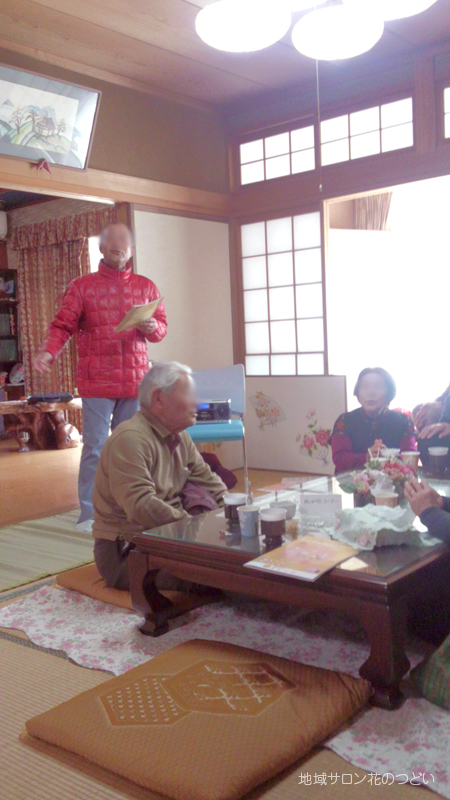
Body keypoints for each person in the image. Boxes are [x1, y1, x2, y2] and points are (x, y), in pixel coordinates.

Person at [33, 222, 167, 530]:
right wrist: (48, 352)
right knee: (94, 447)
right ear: (102, 247)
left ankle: (127, 510)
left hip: (135, 381)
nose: (118, 245)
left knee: (129, 448)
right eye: (112, 240)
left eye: (124, 240)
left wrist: (152, 327)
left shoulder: (147, 286)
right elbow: (62, 326)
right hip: (97, 381)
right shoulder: (81, 286)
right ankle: (90, 514)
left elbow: (161, 328)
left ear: (131, 249)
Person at [92, 361, 227, 590]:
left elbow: (209, 481)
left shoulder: (181, 437)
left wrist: (235, 514)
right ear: (159, 399)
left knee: (240, 564)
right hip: (129, 549)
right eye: (188, 393)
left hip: (169, 537)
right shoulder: (130, 438)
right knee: (217, 577)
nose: (196, 402)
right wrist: (192, 528)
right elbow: (141, 505)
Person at [331, 367, 416, 473]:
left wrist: (388, 455)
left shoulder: (403, 421)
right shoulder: (345, 420)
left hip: (394, 480)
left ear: (389, 394)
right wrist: (367, 457)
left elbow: (410, 457)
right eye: (365, 387)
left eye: (378, 387)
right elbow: (339, 459)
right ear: (358, 394)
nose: (371, 392)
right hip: (351, 481)